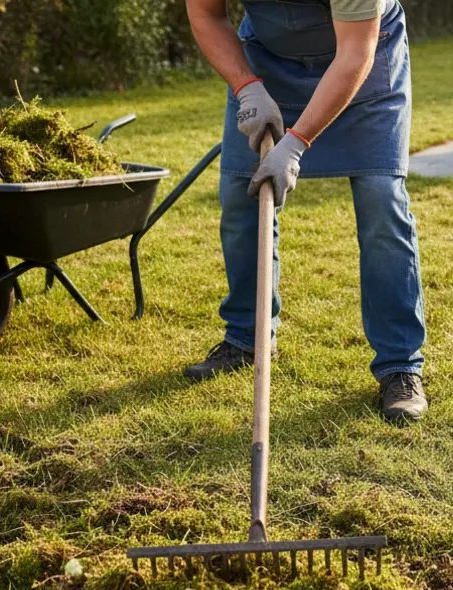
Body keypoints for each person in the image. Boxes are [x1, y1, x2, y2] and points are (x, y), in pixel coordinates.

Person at [182, 0, 428, 423]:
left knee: (380, 198)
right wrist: (246, 87)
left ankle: (400, 365)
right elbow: (205, 14)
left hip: (365, 61)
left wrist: (295, 144)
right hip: (267, 64)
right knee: (241, 195)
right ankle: (247, 338)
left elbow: (355, 53)